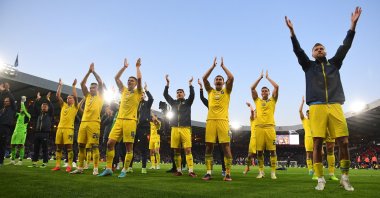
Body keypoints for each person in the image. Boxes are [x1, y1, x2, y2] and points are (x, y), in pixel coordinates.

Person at [285, 6, 361, 191]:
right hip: (317, 107)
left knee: (343, 141)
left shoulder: (335, 64)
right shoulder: (308, 66)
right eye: (316, 49)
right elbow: (298, 51)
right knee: (317, 143)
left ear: (325, 51)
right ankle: (320, 179)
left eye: (322, 48)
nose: (319, 50)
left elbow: (345, 46)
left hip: (335, 105)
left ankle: (344, 177)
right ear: (312, 54)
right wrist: (292, 33)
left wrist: (352, 26)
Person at [98, 58, 142, 178]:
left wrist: (137, 67)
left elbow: (139, 79)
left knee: (129, 147)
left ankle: (125, 169)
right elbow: (116, 78)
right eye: (128, 80)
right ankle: (108, 168)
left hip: (130, 121)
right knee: (109, 143)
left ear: (136, 84)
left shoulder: (138, 92)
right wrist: (124, 67)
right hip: (119, 121)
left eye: (132, 81)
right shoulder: (123, 91)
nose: (129, 82)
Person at [202, 57, 234, 181]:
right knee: (209, 146)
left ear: (223, 82)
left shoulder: (227, 91)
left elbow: (231, 78)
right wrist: (212, 67)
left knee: (226, 147)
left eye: (221, 79)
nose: (219, 80)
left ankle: (228, 173)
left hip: (223, 121)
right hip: (210, 121)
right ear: (214, 82)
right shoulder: (210, 91)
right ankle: (208, 172)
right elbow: (204, 78)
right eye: (217, 79)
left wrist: (223, 66)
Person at [70, 63, 104, 175]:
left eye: (93, 88)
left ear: (97, 89)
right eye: (90, 88)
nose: (91, 89)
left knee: (94, 146)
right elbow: (82, 83)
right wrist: (88, 72)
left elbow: (100, 82)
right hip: (83, 123)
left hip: (94, 123)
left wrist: (93, 72)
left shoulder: (100, 96)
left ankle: (95, 168)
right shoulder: (88, 96)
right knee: (81, 145)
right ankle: (80, 168)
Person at [163, 74, 196, 177]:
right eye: (177, 93)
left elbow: (192, 95)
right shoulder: (173, 102)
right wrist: (167, 84)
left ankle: (191, 171)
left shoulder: (187, 103)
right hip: (174, 129)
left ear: (184, 94)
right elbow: (165, 95)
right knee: (176, 150)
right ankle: (179, 170)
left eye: (180, 92)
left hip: (185, 128)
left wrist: (190, 85)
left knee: (187, 150)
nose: (179, 94)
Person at [251, 70, 279, 179]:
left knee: (273, 150)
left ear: (268, 92)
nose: (264, 92)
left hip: (270, 127)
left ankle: (273, 172)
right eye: (262, 91)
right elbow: (252, 88)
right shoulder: (257, 100)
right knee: (259, 151)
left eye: (266, 91)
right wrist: (259, 78)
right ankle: (261, 172)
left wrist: (267, 78)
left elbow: (276, 87)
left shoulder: (273, 100)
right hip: (259, 128)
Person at [198, 79, 227, 176]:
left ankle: (224, 169)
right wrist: (201, 88)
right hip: (212, 124)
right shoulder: (210, 103)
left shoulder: (223, 98)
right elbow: (202, 98)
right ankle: (210, 170)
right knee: (210, 147)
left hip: (222, 123)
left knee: (223, 149)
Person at [51, 79, 79, 172]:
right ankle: (58, 165)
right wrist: (60, 85)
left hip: (69, 129)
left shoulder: (75, 107)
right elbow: (57, 96)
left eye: (70, 98)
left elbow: (75, 96)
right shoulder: (63, 105)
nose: (68, 99)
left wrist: (74, 86)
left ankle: (69, 165)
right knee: (58, 148)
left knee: (69, 148)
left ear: (73, 100)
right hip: (59, 128)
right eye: (67, 98)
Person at [128, 82, 154, 174]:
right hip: (134, 127)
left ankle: (143, 167)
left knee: (143, 148)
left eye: (143, 94)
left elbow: (152, 98)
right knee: (131, 147)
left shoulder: (147, 104)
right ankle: (129, 167)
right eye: (140, 94)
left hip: (144, 128)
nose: (141, 95)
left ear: (144, 95)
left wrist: (146, 90)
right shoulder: (135, 104)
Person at [29, 92, 54, 168]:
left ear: (48, 108)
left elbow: (52, 108)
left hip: (45, 133)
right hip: (37, 133)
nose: (44, 107)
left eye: (45, 106)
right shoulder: (38, 114)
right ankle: (34, 163)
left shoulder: (49, 114)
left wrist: (48, 100)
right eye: (43, 106)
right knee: (36, 148)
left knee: (44, 149)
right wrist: (37, 99)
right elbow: (34, 107)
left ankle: (45, 163)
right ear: (41, 107)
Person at [8, 96, 31, 166]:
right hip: (15, 132)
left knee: (21, 146)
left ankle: (20, 160)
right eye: (20, 109)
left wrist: (22, 102)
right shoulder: (18, 115)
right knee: (12, 145)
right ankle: (12, 160)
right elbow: (13, 111)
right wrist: (13, 103)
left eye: (22, 109)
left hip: (22, 132)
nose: (21, 109)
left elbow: (23, 109)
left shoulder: (27, 116)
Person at [299, 96, 318, 180]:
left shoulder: (315, 120)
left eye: (310, 112)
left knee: (316, 154)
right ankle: (310, 169)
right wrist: (303, 102)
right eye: (308, 113)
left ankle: (315, 168)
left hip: (315, 138)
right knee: (309, 154)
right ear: (306, 114)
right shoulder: (304, 120)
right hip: (308, 138)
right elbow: (299, 111)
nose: (309, 114)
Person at [0, 82, 16, 166]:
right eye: (5, 101)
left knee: (2, 144)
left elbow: (12, 99)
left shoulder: (13, 108)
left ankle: (0, 161)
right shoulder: (2, 109)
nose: (5, 102)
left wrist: (7, 90)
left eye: (7, 101)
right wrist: (2, 92)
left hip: (5, 128)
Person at [243, 102, 256, 175]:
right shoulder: (252, 119)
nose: (255, 113)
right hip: (253, 138)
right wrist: (250, 105)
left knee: (261, 154)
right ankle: (247, 167)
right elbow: (251, 111)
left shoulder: (261, 120)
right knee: (249, 155)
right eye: (255, 112)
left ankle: (261, 171)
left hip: (261, 137)